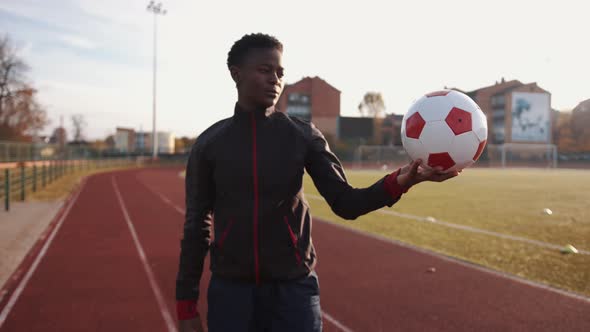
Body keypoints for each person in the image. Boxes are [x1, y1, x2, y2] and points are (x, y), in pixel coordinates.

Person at [176, 33, 459, 332]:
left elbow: (346, 203)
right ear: (236, 73)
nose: (275, 79)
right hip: (232, 293)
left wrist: (402, 181)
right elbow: (196, 227)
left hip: (294, 291)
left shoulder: (302, 136)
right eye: (264, 70)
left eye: (280, 72)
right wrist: (186, 306)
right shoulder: (210, 144)